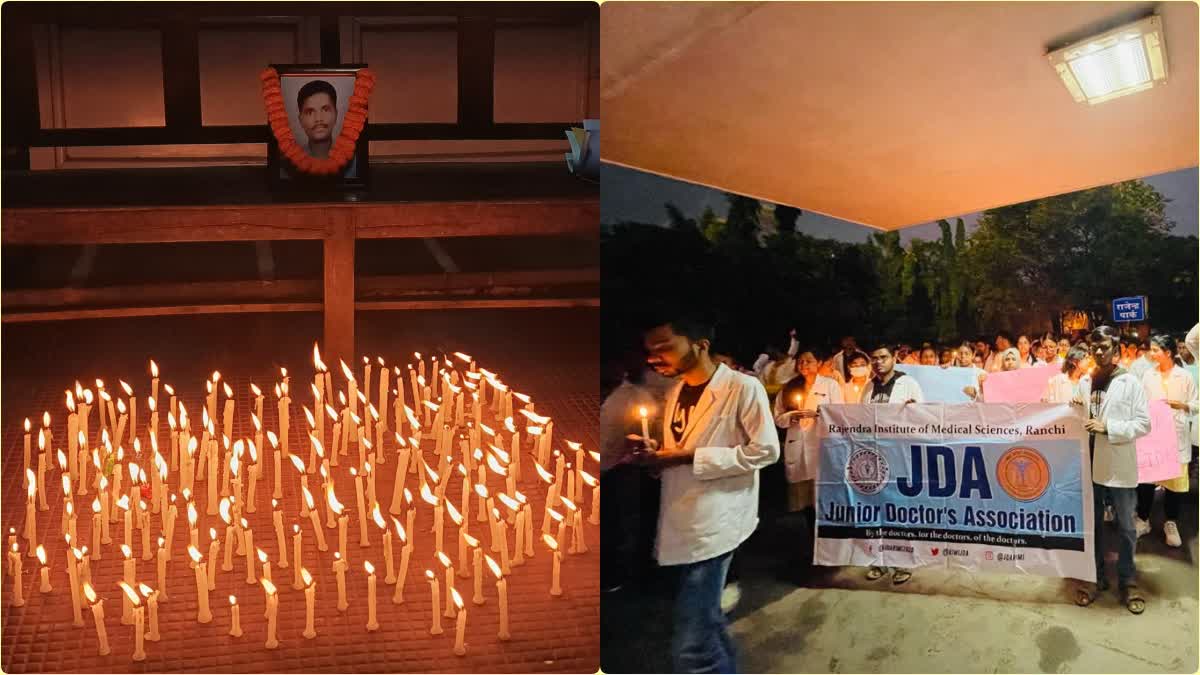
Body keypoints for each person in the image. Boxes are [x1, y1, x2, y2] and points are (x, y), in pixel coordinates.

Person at [637, 317, 779, 673]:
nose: (655, 358)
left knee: (692, 645)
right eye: (650, 351)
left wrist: (688, 457)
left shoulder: (743, 388)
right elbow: (681, 452)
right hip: (684, 517)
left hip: (718, 522)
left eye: (665, 347)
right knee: (707, 622)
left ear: (699, 343)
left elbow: (765, 451)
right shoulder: (675, 392)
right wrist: (657, 459)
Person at [1076, 326, 1151, 614]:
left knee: (1126, 526)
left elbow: (1144, 424)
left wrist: (1109, 428)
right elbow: (1077, 414)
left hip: (1119, 464)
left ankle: (1127, 579)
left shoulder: (1130, 382)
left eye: (1104, 347)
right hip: (1089, 463)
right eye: (1094, 347)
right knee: (1092, 524)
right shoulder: (1084, 381)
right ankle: (1095, 578)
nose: (1098, 351)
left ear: (1115, 349)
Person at [862, 344, 924, 585]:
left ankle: (902, 563)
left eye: (883, 357)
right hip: (874, 456)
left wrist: (912, 411)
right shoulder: (868, 387)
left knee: (898, 510)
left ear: (894, 359)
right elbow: (860, 419)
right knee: (875, 509)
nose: (879, 362)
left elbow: (922, 418)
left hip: (899, 455)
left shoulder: (908, 384)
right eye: (874, 358)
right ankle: (878, 561)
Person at [1135, 335, 1198, 547]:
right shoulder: (1148, 375)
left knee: (1174, 484)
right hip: (1152, 435)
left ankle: (1170, 523)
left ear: (1168, 353)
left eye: (1155, 350)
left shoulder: (1184, 376)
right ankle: (1143, 520)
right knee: (1146, 481)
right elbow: (1141, 402)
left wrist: (1181, 405)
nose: (1151, 354)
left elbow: (1196, 403)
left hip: (1176, 435)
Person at [774, 354, 844, 521]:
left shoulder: (830, 385)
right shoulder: (789, 387)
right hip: (797, 443)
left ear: (819, 363)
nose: (804, 364)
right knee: (803, 501)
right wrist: (792, 416)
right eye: (800, 361)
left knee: (822, 496)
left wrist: (819, 414)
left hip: (820, 444)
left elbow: (838, 414)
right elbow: (778, 418)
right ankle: (808, 530)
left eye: (809, 361)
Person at [288, 79, 359, 178]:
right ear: (300, 120)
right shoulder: (289, 163)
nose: (319, 119)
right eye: (310, 112)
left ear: (336, 114)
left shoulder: (354, 162)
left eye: (325, 110)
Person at [752, 329, 799, 397]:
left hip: (786, 397)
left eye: (773, 351)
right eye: (771, 350)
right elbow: (761, 381)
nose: (771, 352)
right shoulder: (769, 366)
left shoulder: (793, 364)